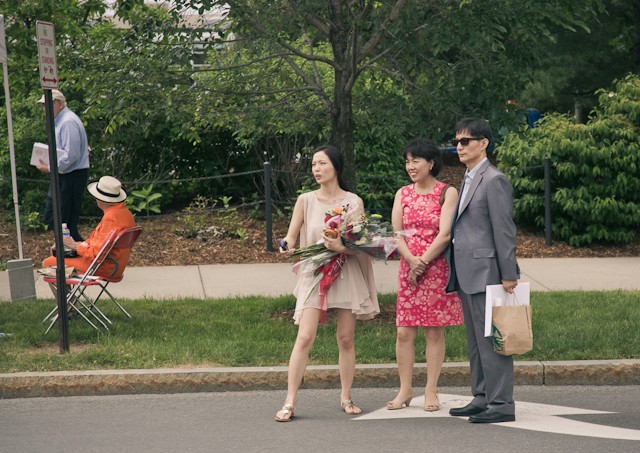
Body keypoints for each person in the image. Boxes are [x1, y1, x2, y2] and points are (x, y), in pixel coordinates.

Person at [274, 145, 379, 422]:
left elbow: (362, 245)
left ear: (336, 166)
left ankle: (346, 396)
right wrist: (286, 245)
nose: (316, 169)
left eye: (322, 163)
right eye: (313, 164)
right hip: (316, 273)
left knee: (346, 338)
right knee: (305, 337)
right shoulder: (305, 200)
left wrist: (342, 247)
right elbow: (291, 238)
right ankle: (289, 401)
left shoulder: (353, 202)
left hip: (345, 271)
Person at [445, 118, 520, 424]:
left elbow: (504, 231)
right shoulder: (468, 177)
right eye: (456, 142)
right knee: (476, 341)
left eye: (465, 141)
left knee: (492, 339)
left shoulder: (494, 180)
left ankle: (501, 404)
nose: (459, 147)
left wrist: (509, 273)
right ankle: (482, 396)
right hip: (467, 271)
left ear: (484, 143)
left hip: (487, 271)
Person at [386, 138, 463, 412]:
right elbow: (397, 232)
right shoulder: (402, 193)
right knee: (404, 332)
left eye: (415, 161)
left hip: (435, 269)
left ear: (431, 163)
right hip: (409, 270)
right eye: (407, 161)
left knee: (434, 332)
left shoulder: (447, 192)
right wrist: (410, 260)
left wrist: (423, 262)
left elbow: (445, 233)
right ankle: (405, 389)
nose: (410, 166)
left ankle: (431, 389)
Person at [42, 176, 135, 280]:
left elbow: (96, 255)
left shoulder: (111, 217)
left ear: (100, 199)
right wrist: (76, 244)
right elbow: (100, 246)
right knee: (58, 261)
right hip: (115, 266)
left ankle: (66, 291)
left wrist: (74, 246)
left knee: (49, 263)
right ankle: (69, 291)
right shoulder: (125, 214)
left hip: (102, 267)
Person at [36, 89, 90, 242]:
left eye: (48, 104)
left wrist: (50, 168)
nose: (45, 108)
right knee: (57, 218)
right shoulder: (61, 121)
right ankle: (71, 249)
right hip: (65, 174)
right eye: (43, 105)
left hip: (71, 175)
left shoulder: (67, 122)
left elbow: (71, 155)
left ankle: (77, 250)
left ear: (60, 104)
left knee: (63, 220)